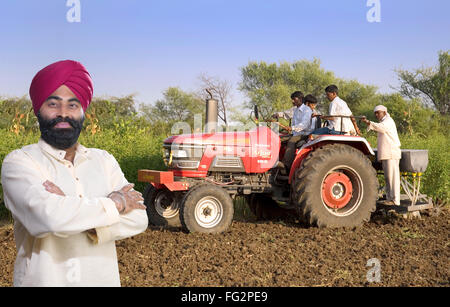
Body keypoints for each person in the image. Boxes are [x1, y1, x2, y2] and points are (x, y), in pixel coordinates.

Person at [1, 60, 148, 287]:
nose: (63, 114)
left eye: (72, 105)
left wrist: (74, 211)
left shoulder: (104, 160)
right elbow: (48, 217)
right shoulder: (20, 162)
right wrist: (117, 203)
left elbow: (139, 218)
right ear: (37, 109)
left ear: (83, 111)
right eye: (53, 104)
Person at [362, 105, 401, 206]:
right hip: (387, 154)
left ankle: (395, 200)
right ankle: (390, 198)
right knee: (388, 178)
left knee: (393, 178)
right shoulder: (383, 122)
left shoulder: (388, 121)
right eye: (375, 113)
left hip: (391, 153)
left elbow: (382, 128)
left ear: (384, 112)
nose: (376, 115)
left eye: (378, 112)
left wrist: (369, 122)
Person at [278, 94, 319, 174]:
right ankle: (276, 160)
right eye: (292, 99)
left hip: (305, 133)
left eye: (294, 99)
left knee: (292, 141)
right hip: (297, 132)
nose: (292, 101)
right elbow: (286, 114)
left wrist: (292, 128)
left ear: (300, 99)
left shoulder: (307, 110)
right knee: (278, 139)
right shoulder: (296, 110)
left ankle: (286, 165)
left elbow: (304, 125)